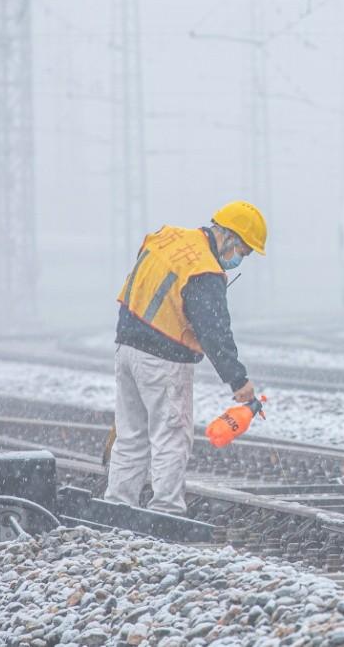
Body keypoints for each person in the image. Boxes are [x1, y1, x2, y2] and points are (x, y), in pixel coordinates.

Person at [104, 201, 267, 514]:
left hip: (125, 346)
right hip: (163, 358)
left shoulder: (167, 238)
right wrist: (238, 379)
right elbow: (214, 330)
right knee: (171, 436)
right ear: (230, 238)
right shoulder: (203, 268)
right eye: (242, 252)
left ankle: (117, 506)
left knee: (131, 435)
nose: (238, 259)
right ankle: (166, 511)